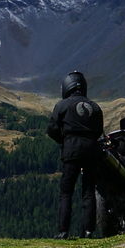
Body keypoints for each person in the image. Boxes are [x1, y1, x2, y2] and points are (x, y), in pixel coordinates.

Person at [46, 70, 105, 238]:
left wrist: (64, 141)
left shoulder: (62, 105)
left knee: (66, 192)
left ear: (67, 86)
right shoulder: (95, 107)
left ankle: (63, 231)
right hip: (92, 151)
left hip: (71, 151)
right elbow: (98, 131)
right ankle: (88, 231)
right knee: (88, 192)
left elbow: (52, 129)